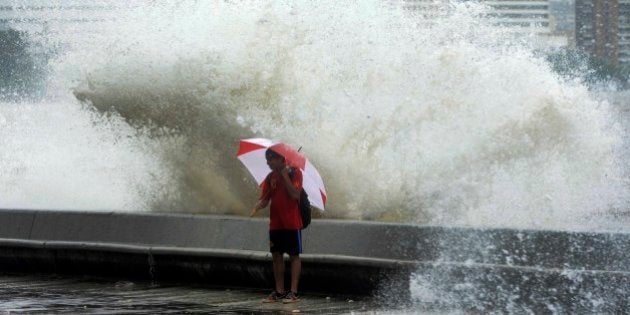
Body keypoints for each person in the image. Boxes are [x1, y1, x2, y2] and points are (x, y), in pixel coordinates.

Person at [250, 148, 303, 304]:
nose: (268, 162)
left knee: (294, 256)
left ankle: (293, 292)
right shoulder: (270, 177)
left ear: (281, 160)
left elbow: (295, 195)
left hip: (292, 222)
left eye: (271, 158)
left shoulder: (295, 173)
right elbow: (265, 199)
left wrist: (285, 176)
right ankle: (279, 292)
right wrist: (257, 206)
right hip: (276, 224)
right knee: (276, 256)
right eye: (267, 159)